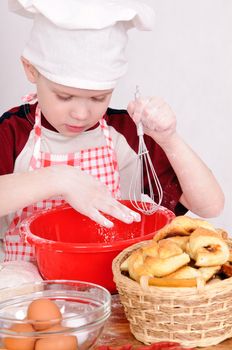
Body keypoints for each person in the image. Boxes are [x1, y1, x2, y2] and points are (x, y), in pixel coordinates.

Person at [0, 0, 224, 262]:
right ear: (31, 70)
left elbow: (210, 205)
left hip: (112, 280)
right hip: (30, 283)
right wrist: (58, 179)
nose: (81, 114)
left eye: (98, 99)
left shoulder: (124, 132)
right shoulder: (13, 130)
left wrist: (169, 139)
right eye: (64, 96)